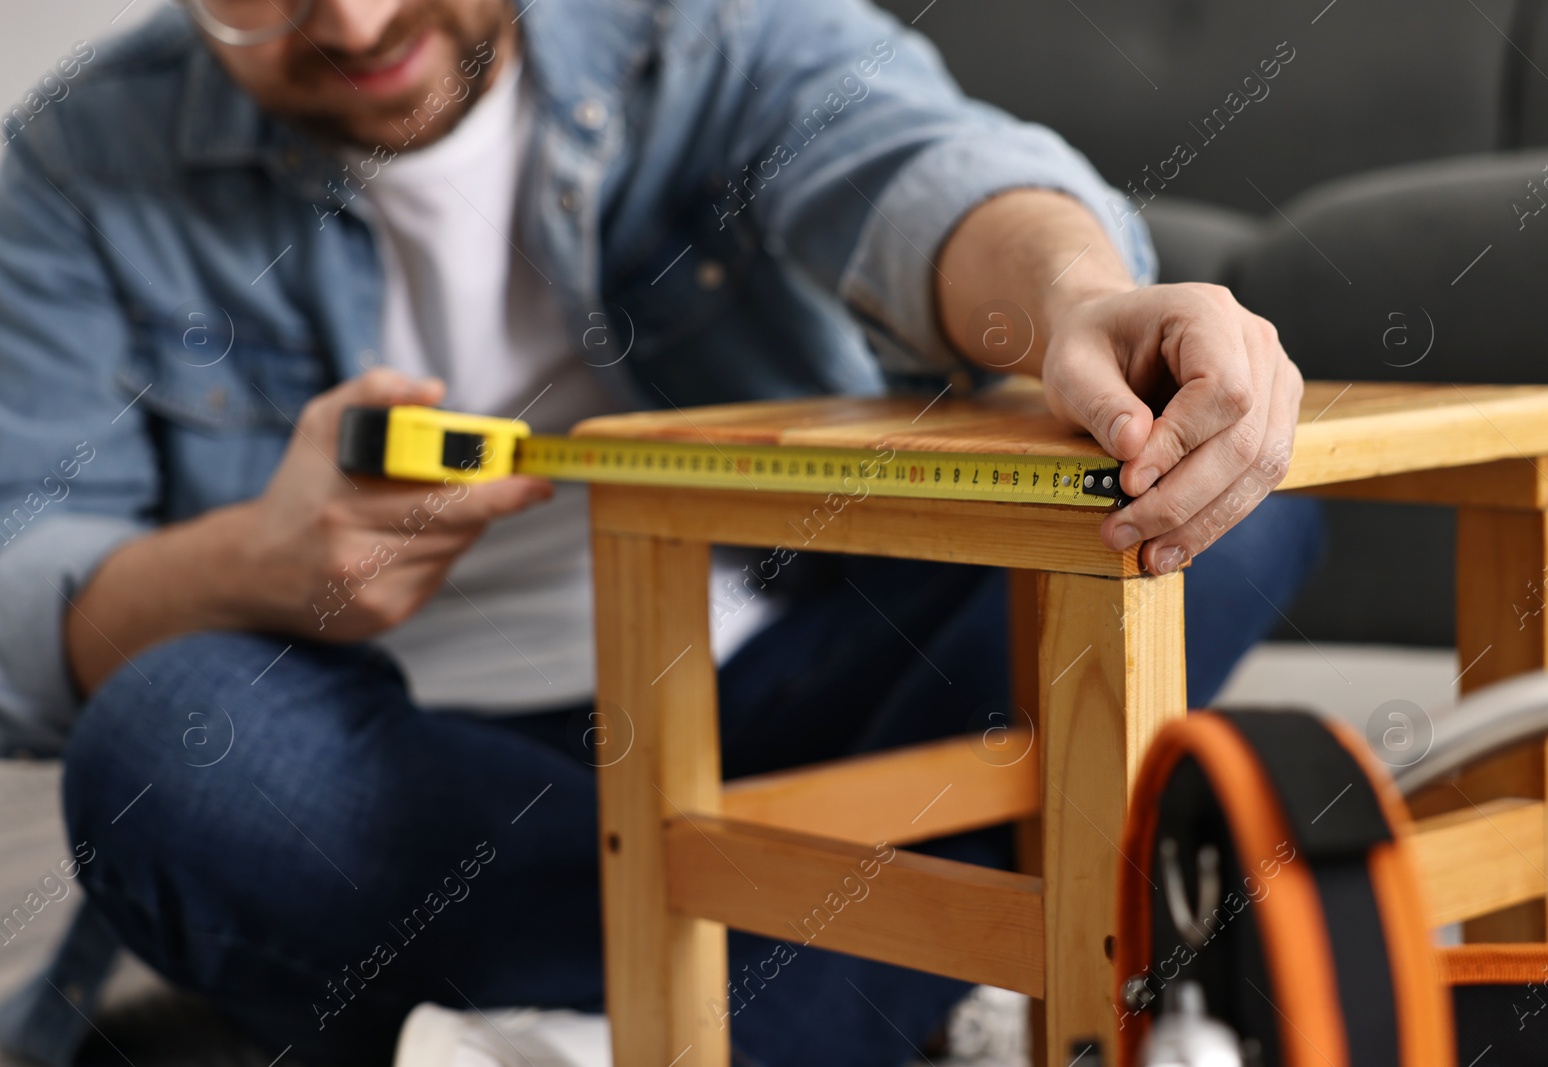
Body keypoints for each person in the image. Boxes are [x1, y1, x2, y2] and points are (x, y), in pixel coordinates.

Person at [0, 0, 1323, 1064]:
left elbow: (919, 165)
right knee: (163, 748)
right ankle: (906, 985)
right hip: (423, 777)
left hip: (802, 711)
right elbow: (20, 589)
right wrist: (246, 569)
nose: (350, 24)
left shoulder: (705, 31)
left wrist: (1073, 295)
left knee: (1224, 516)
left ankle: (633, 1031)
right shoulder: (76, 159)